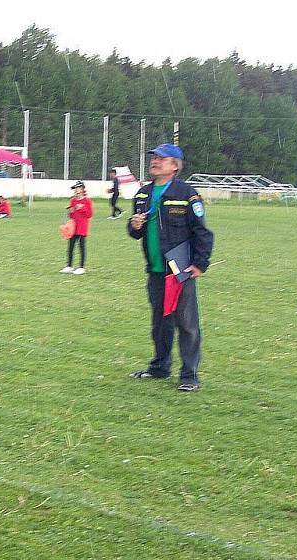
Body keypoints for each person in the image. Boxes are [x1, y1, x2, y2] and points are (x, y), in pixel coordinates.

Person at [127, 143, 214, 392]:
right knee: (160, 322)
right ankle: (159, 367)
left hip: (180, 270)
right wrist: (134, 225)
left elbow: (203, 233)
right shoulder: (142, 194)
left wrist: (200, 264)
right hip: (155, 269)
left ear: (174, 166)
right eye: (154, 157)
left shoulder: (187, 194)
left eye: (162, 158)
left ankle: (189, 375)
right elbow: (135, 233)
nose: (155, 161)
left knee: (186, 323)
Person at [59, 181, 94, 275]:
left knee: (81, 247)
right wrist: (70, 211)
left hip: (82, 227)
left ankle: (81, 267)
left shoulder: (87, 200)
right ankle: (69, 266)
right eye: (75, 189)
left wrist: (82, 208)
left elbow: (90, 214)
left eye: (77, 188)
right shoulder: (73, 200)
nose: (76, 191)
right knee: (70, 247)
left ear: (82, 189)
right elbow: (71, 215)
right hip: (73, 227)